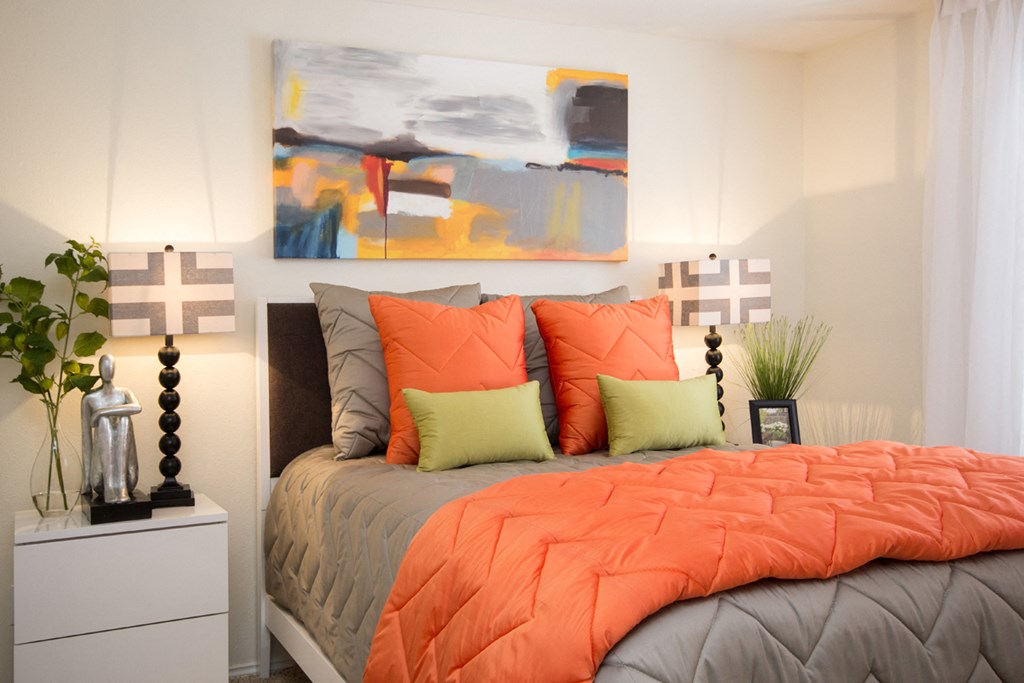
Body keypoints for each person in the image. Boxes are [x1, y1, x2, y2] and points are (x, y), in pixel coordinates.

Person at [81, 355, 142, 503]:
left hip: (128, 476)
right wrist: (86, 481)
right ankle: (110, 486)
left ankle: (120, 485)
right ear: (99, 369)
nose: (108, 369)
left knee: (123, 418)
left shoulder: (124, 392)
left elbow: (137, 407)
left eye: (111, 365)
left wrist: (101, 412)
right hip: (101, 478)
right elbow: (86, 440)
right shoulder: (89, 398)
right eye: (104, 366)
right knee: (105, 422)